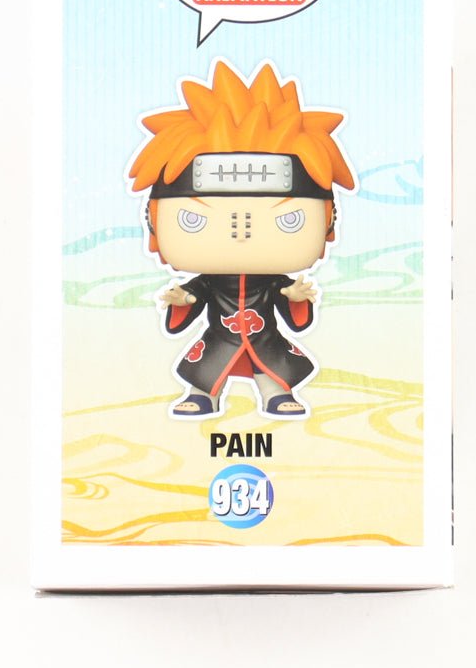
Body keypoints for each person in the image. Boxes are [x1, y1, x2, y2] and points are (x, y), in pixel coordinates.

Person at [128, 60, 357, 419]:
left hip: (265, 339)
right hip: (220, 338)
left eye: (289, 219)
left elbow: (290, 306)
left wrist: (295, 297)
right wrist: (183, 298)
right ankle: (203, 394)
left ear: (329, 219)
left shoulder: (273, 279)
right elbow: (195, 295)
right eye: (193, 219)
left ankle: (275, 393)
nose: (241, 230)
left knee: (272, 365)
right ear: (153, 221)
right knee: (207, 369)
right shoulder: (209, 279)